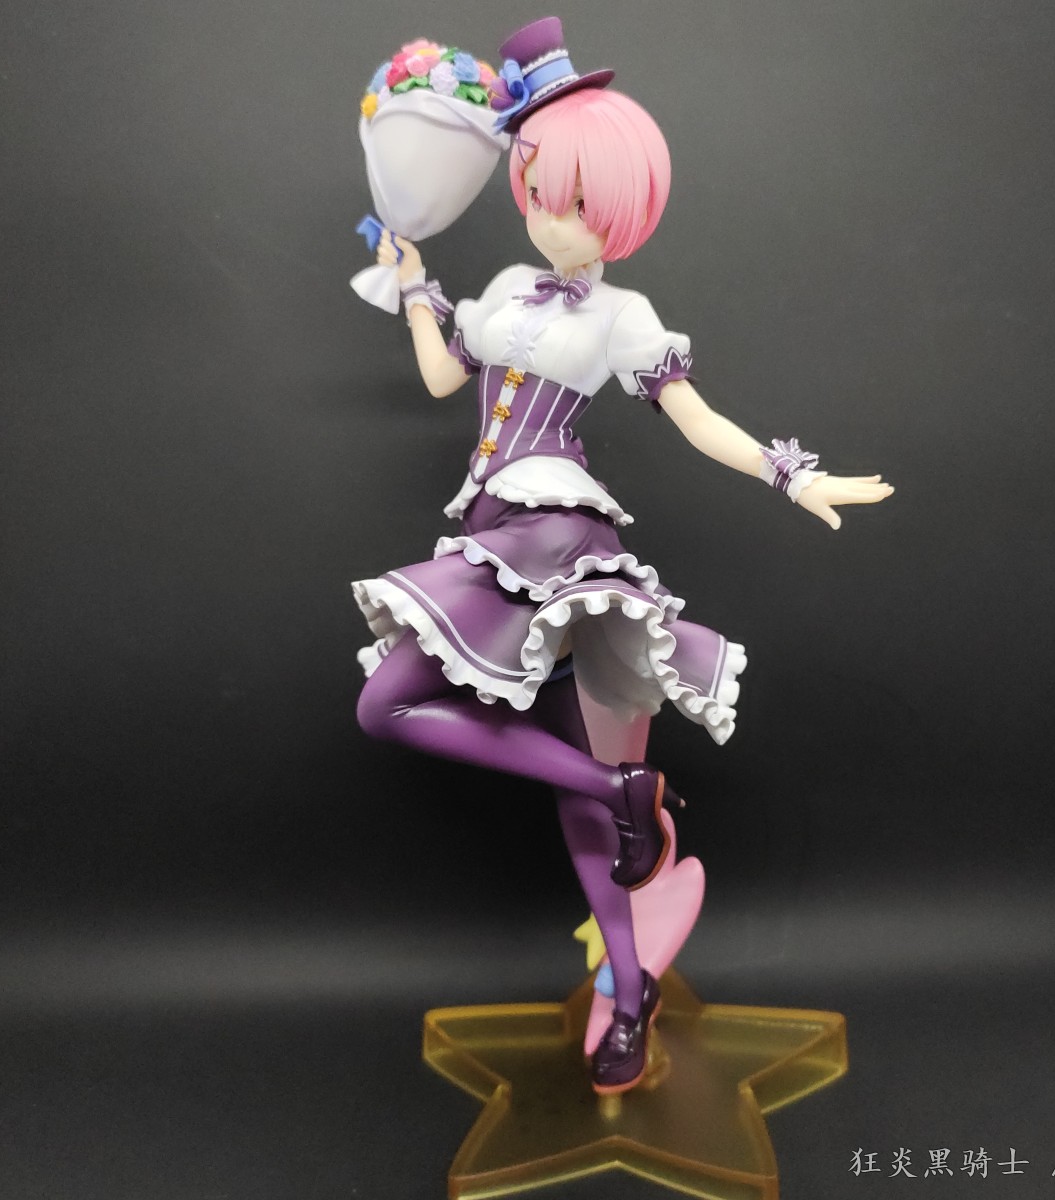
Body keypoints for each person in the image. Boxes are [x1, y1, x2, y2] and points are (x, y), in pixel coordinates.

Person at [352, 17, 893, 1094]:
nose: (553, 220)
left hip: (555, 535)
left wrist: (793, 476)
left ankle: (630, 980)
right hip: (492, 531)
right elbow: (445, 378)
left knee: (422, 722)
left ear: (623, 215)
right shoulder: (507, 286)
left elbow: (696, 420)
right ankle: (622, 791)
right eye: (539, 192)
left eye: (578, 205)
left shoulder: (624, 314)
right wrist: (413, 284)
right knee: (511, 761)